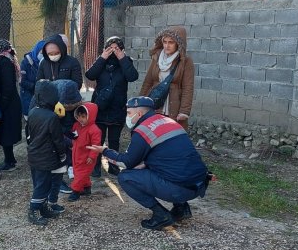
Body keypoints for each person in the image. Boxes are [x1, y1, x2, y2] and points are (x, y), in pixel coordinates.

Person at [87, 96, 210, 230]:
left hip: (179, 189)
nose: (127, 116)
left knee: (125, 177)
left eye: (129, 113)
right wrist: (146, 163)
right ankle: (181, 208)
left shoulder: (143, 130)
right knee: (167, 168)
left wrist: (105, 151)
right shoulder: (168, 120)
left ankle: (161, 215)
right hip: (199, 184)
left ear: (139, 114)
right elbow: (169, 153)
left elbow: (126, 162)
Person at [85, 36, 139, 176]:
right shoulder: (101, 62)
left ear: (122, 49)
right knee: (98, 139)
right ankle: (95, 167)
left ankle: (113, 166)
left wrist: (122, 58)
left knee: (114, 140)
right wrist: (102, 57)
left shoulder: (126, 62)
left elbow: (132, 76)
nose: (113, 51)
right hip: (100, 106)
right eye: (111, 48)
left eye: (117, 48)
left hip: (118, 107)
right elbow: (90, 75)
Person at [26, 80, 67, 226]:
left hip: (33, 155)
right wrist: (62, 155)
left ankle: (43, 208)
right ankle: (33, 210)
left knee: (39, 183)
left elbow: (29, 134)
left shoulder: (32, 112)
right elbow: (58, 140)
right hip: (46, 157)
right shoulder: (52, 117)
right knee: (44, 185)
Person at [139, 26, 195, 130]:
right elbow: (148, 82)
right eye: (165, 42)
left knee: (171, 137)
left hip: (173, 107)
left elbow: (188, 88)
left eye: (171, 42)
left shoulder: (185, 61)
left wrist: (184, 111)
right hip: (156, 104)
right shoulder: (156, 58)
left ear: (178, 44)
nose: (167, 45)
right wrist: (140, 103)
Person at [0, 38, 22, 172]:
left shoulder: (4, 62)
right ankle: (10, 159)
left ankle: (9, 161)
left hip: (7, 103)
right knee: (6, 132)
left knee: (7, 132)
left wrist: (1, 103)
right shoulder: (5, 59)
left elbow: (8, 86)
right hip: (8, 101)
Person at [67, 102, 102, 202]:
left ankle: (75, 192)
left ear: (90, 116)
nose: (80, 119)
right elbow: (74, 136)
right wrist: (72, 144)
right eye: (78, 116)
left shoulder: (94, 130)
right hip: (77, 154)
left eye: (83, 116)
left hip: (87, 157)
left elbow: (96, 145)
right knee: (79, 172)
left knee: (80, 174)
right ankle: (87, 188)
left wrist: (92, 156)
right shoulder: (77, 125)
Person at [19, 39, 45, 120]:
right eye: (41, 53)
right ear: (37, 50)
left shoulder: (45, 62)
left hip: (42, 98)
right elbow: (22, 81)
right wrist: (35, 86)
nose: (43, 55)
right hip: (28, 96)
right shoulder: (26, 62)